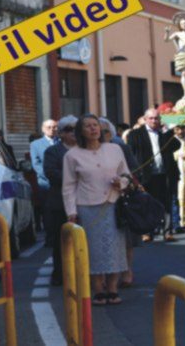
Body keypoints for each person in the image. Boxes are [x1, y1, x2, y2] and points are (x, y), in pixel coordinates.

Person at [63, 114, 130, 305]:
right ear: (80, 132)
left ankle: (113, 288)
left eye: (96, 125)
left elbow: (126, 173)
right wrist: (71, 212)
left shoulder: (114, 149)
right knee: (92, 248)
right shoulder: (72, 155)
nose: (93, 129)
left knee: (115, 246)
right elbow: (68, 186)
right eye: (88, 126)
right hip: (88, 206)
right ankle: (98, 289)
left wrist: (122, 182)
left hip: (113, 203)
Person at [126, 108, 181, 242]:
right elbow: (131, 151)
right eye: (151, 118)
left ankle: (168, 231)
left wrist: (167, 132)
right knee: (146, 203)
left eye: (156, 118)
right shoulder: (135, 134)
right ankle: (147, 232)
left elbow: (176, 145)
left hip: (164, 174)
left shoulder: (164, 134)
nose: (154, 121)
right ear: (145, 119)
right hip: (146, 175)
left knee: (167, 203)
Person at [99, 117, 139, 287]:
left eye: (105, 131)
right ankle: (103, 275)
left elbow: (133, 171)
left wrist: (123, 182)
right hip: (97, 200)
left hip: (121, 198)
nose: (100, 135)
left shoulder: (120, 148)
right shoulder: (82, 151)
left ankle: (127, 270)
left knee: (125, 238)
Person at [43, 115, 78, 286]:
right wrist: (75, 179)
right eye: (69, 130)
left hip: (84, 200)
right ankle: (60, 274)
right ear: (62, 133)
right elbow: (51, 173)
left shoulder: (86, 149)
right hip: (59, 202)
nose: (73, 133)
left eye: (76, 129)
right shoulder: (53, 151)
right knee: (61, 240)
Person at [30, 119, 59, 233]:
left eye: (54, 127)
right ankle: (50, 236)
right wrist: (49, 176)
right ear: (43, 129)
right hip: (45, 183)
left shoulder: (61, 142)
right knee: (47, 210)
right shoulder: (35, 144)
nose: (52, 130)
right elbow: (36, 164)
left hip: (62, 182)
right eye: (49, 127)